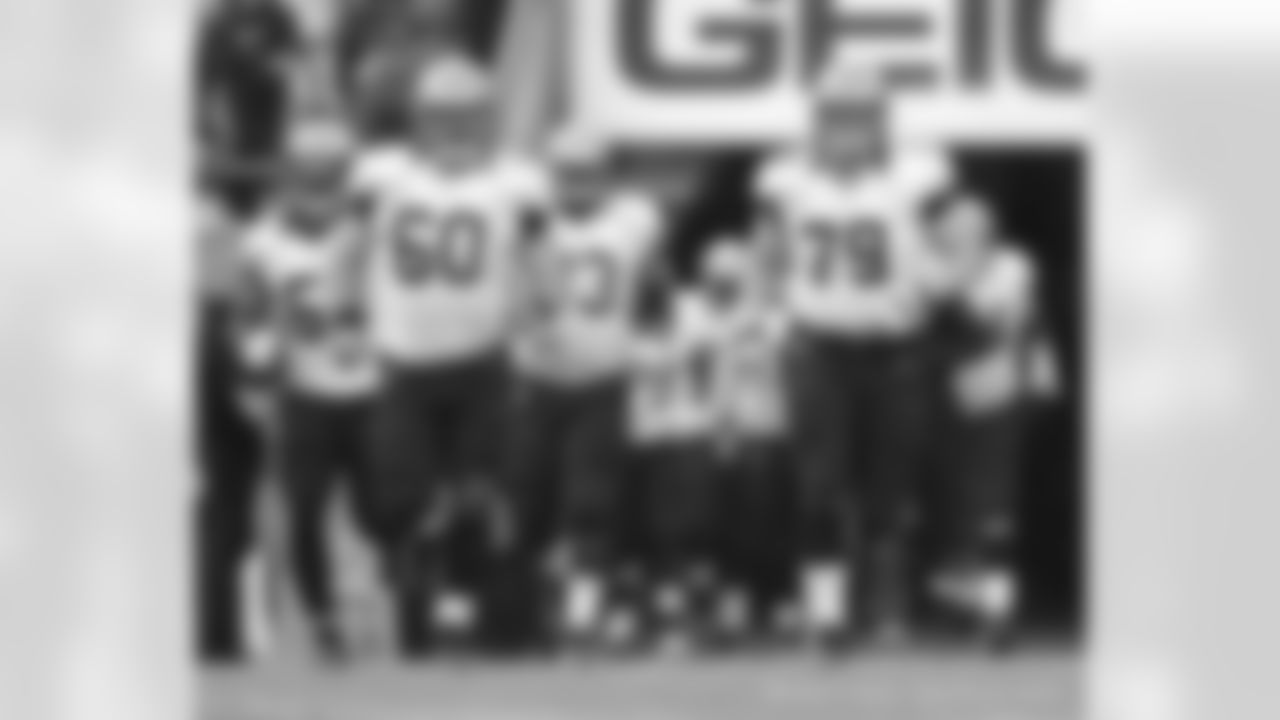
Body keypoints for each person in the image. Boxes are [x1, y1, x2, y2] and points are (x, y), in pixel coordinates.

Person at [349, 55, 549, 656]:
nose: (456, 130)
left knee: (478, 496)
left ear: (488, 120)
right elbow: (351, 245)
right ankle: (418, 612)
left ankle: (463, 619)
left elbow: (539, 264)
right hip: (404, 362)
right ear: (419, 121)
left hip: (481, 362)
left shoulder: (516, 183)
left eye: (467, 117)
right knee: (406, 502)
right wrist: (340, 295)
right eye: (443, 117)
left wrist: (538, 304)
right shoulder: (383, 176)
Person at [752, 60, 950, 650]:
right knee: (820, 487)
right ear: (816, 121)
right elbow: (766, 255)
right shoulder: (785, 179)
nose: (846, 132)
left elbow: (953, 245)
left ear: (882, 122)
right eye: (835, 118)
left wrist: (939, 281)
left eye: (859, 118)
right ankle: (826, 612)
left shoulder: (919, 175)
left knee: (890, 489)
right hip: (818, 347)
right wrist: (770, 319)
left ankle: (885, 609)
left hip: (896, 349)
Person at [510, 129, 668, 650]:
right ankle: (525, 616)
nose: (577, 185)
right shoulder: (528, 220)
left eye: (587, 174)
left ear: (606, 178)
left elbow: (655, 293)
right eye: (568, 174)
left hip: (602, 381)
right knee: (527, 505)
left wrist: (651, 305)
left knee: (590, 504)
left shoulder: (633, 221)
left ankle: (583, 616)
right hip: (536, 379)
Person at [233, 120, 383, 661]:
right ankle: (323, 618)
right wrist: (261, 360)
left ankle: (387, 603)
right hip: (305, 391)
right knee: (306, 507)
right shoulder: (261, 242)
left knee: (383, 506)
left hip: (375, 387)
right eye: (310, 176)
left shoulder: (374, 232)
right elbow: (250, 322)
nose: (320, 189)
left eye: (331, 176)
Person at [924, 190, 1059, 650]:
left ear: (990, 230)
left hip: (996, 387)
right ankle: (961, 600)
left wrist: (1041, 371)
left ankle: (999, 612)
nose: (964, 233)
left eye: (975, 224)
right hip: (942, 394)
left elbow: (1004, 322)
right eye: (955, 226)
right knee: (954, 503)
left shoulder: (1012, 266)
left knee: (995, 501)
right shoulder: (929, 267)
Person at [696, 240, 797, 645]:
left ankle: (781, 602)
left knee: (776, 523)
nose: (719, 288)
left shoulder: (782, 320)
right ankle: (737, 603)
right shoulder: (719, 322)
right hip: (737, 433)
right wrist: (720, 428)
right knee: (734, 526)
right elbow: (719, 382)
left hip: (778, 431)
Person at [627, 282, 720, 652]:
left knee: (687, 534)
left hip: (686, 433)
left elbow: (706, 369)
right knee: (648, 538)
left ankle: (689, 618)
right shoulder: (622, 323)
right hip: (642, 437)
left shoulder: (692, 314)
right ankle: (655, 618)